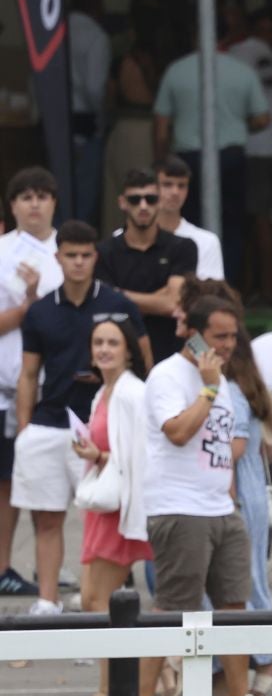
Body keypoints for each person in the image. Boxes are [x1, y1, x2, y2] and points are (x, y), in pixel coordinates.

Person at [14, 222, 148, 616]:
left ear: (96, 257)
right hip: (50, 424)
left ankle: (110, 606)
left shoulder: (118, 304)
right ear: (58, 258)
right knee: (48, 517)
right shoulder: (40, 311)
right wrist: (24, 431)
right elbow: (27, 374)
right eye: (70, 255)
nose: (78, 262)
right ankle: (47, 600)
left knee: (106, 516)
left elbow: (143, 359)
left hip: (105, 428)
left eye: (85, 255)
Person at [139, 295, 261, 696]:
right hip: (178, 507)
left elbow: (222, 445)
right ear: (193, 334)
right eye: (218, 336)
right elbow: (177, 431)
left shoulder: (222, 379)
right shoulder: (168, 376)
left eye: (232, 336)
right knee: (173, 606)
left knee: (233, 606)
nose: (228, 345)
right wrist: (208, 387)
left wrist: (229, 498)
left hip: (220, 509)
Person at [66, 318, 151, 696]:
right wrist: (94, 454)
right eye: (98, 342)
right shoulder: (105, 390)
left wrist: (98, 456)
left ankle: (108, 690)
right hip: (104, 506)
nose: (103, 349)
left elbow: (139, 457)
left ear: (129, 350)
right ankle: (160, 676)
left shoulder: (132, 392)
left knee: (98, 600)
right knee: (92, 599)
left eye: (112, 343)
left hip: (121, 508)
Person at [150, 26, 270, 268]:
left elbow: (161, 127)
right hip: (230, 156)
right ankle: (227, 284)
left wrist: (160, 162)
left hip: (188, 157)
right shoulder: (242, 71)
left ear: (194, 38)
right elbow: (263, 118)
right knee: (233, 224)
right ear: (225, 38)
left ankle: (188, 279)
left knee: (185, 221)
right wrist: (238, 123)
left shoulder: (176, 70)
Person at [224, 320, 272, 694]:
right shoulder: (245, 382)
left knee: (241, 584)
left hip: (235, 493)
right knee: (245, 582)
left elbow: (234, 449)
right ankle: (251, 662)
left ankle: (270, 654)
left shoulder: (231, 389)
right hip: (244, 491)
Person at [0, 169, 63, 595]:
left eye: (42, 196)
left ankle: (54, 572)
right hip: (6, 388)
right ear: (13, 206)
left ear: (54, 202)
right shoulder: (2, 252)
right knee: (5, 483)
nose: (34, 204)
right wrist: (29, 304)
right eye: (25, 197)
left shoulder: (73, 249)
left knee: (66, 486)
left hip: (59, 387)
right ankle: (3, 568)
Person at [97, 168, 198, 366]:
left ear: (160, 202)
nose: (143, 206)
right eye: (135, 200)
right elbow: (106, 307)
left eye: (150, 199)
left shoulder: (184, 246)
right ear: (122, 203)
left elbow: (174, 303)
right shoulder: (103, 252)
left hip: (174, 356)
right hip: (122, 361)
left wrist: (120, 295)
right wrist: (159, 298)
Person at [225, 9, 272, 296]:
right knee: (258, 217)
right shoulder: (262, 53)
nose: (270, 36)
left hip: (258, 146)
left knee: (259, 217)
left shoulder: (245, 51)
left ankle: (267, 289)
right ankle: (257, 284)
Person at [103, 3, 172, 231]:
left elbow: (110, 98)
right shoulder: (164, 63)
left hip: (127, 127)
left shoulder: (122, 61)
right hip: (155, 129)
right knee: (150, 195)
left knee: (121, 194)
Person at [67, 0, 112, 226]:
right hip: (85, 124)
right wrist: (101, 121)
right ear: (97, 2)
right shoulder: (96, 37)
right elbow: (95, 87)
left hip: (52, 123)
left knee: (56, 193)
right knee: (83, 200)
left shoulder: (54, 32)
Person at [148, 156, 224, 281]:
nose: (175, 192)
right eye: (167, 184)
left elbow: (210, 295)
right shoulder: (124, 238)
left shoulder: (207, 242)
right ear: (151, 188)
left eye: (182, 185)